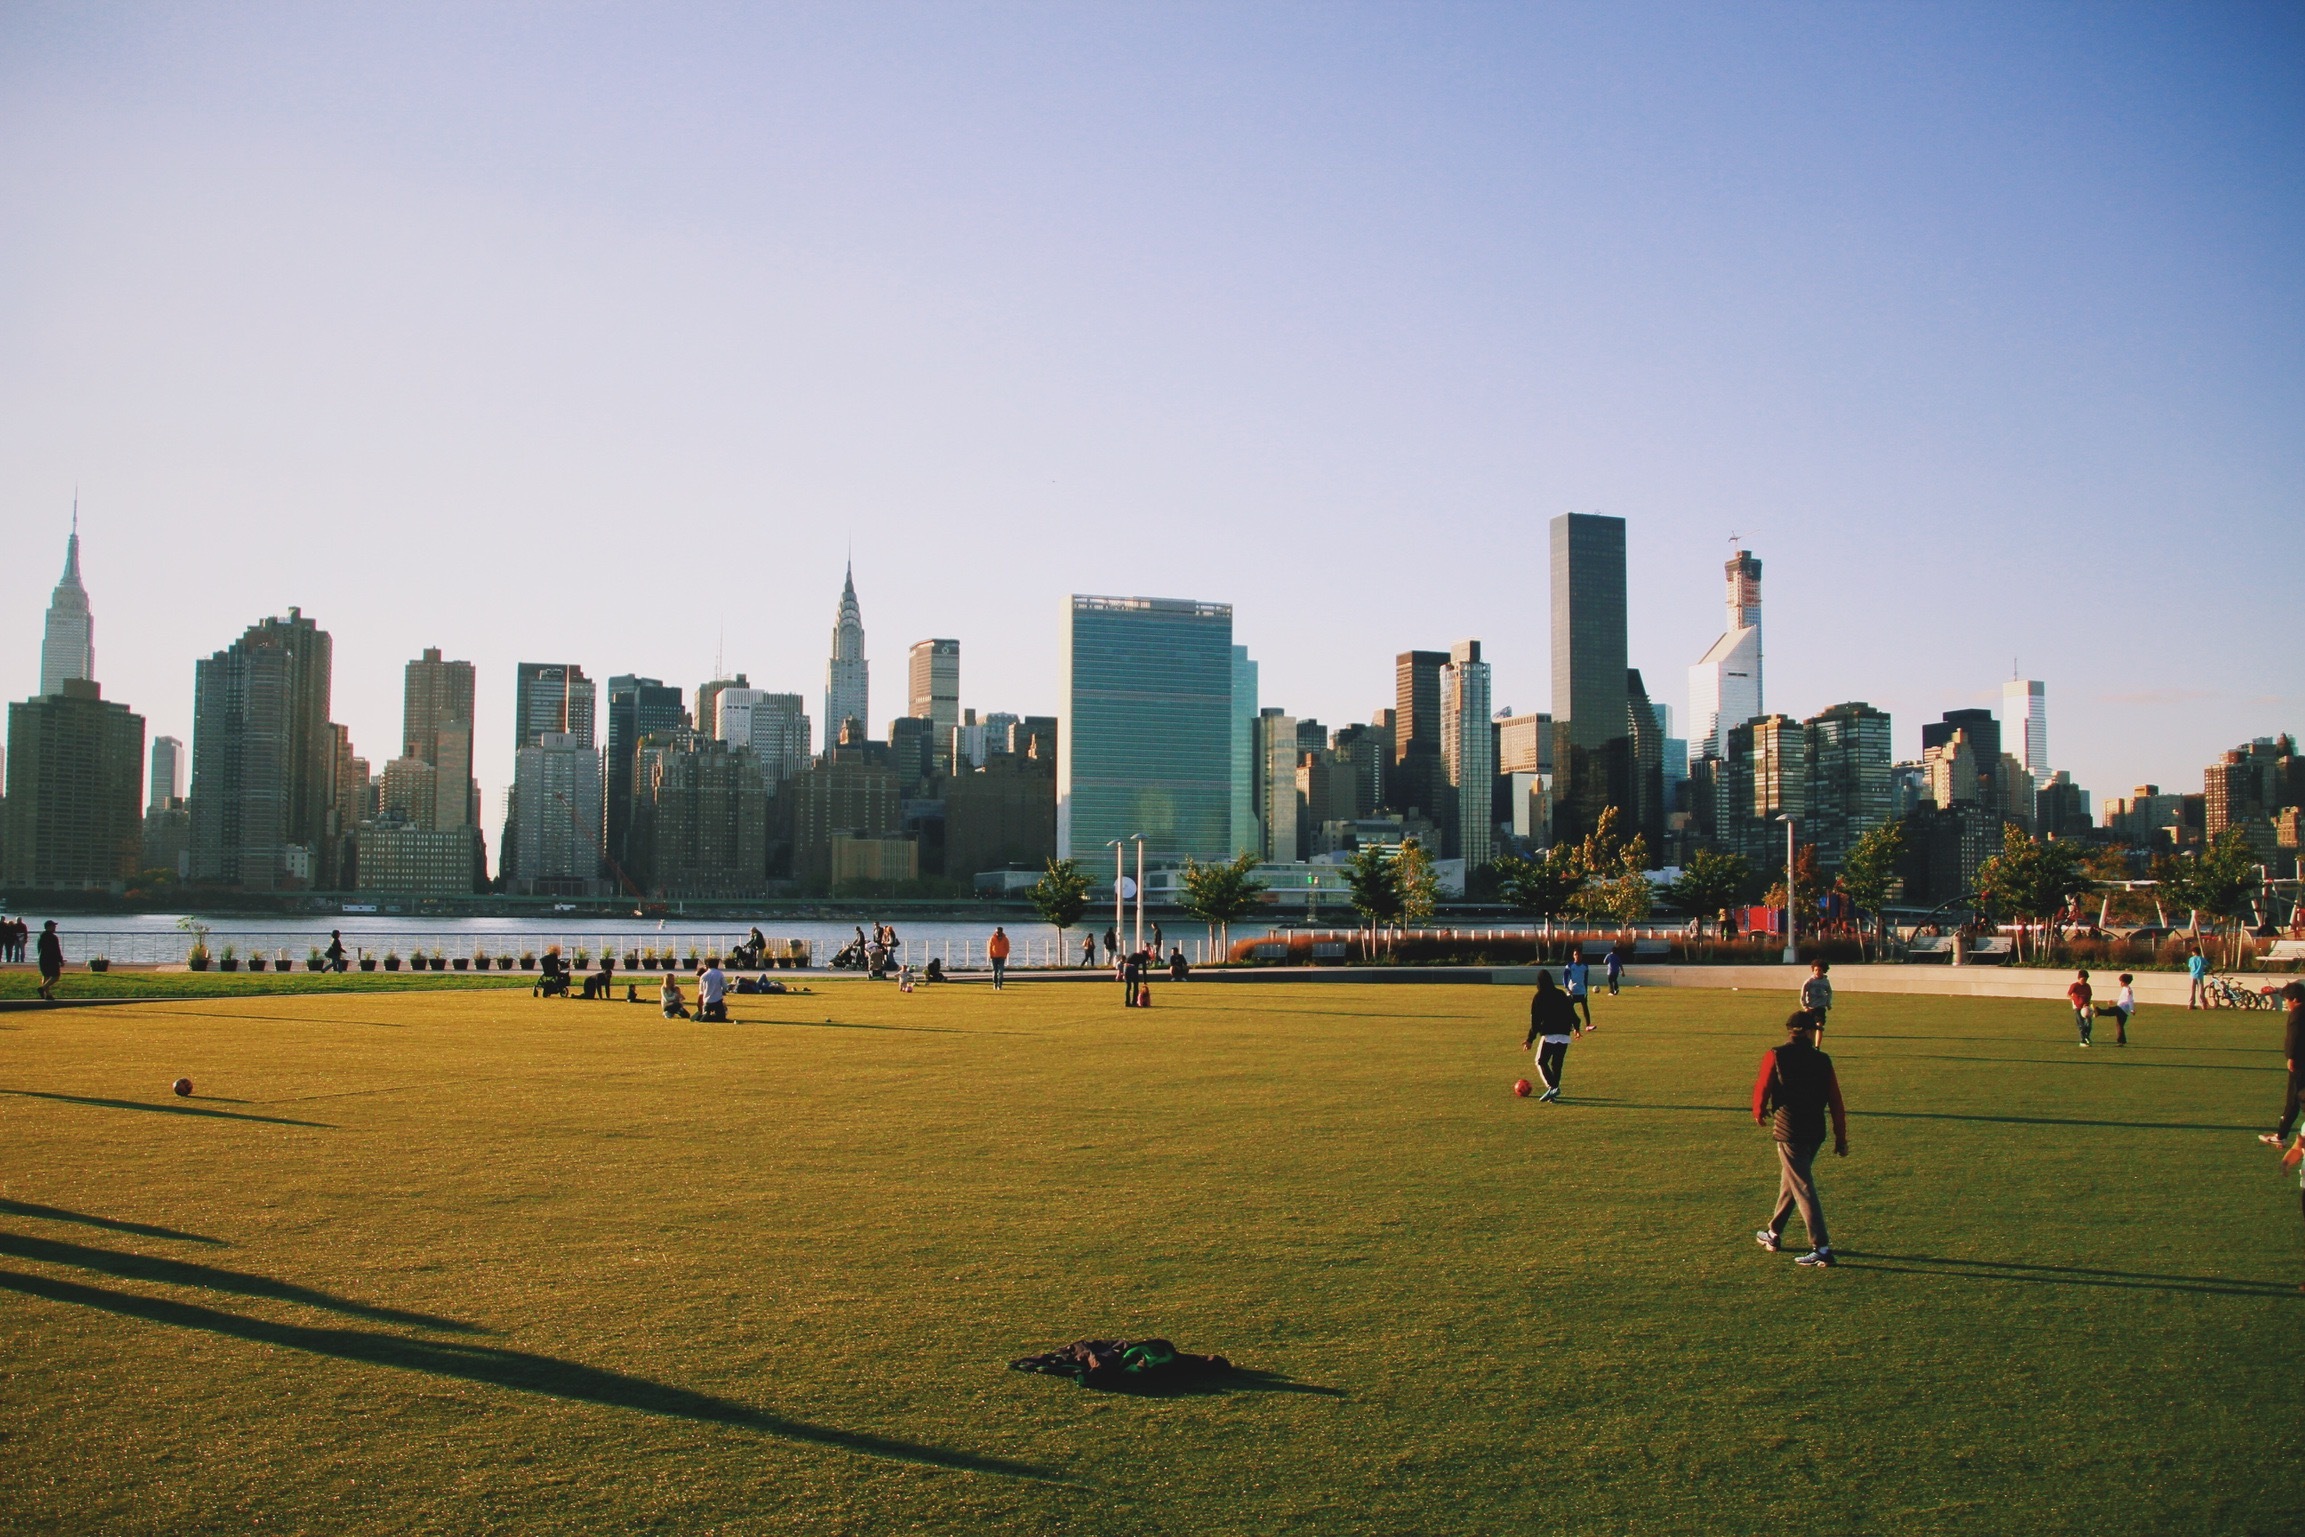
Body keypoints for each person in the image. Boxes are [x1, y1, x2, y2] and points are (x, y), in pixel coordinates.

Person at [1752, 1009, 1848, 1267]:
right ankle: (1773, 1233)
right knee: (1792, 1182)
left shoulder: (1776, 1054)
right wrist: (1841, 1136)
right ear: (1809, 1032)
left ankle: (1822, 1247)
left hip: (1789, 1129)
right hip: (1815, 1131)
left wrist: (1758, 1111)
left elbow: (1763, 1084)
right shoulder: (1822, 1059)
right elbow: (1836, 1100)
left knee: (1801, 1185)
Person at [1521, 969, 1582, 1102]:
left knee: (1541, 1061)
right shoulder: (1560, 994)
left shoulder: (1539, 997)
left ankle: (1552, 1087)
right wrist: (1577, 1028)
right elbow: (1572, 1014)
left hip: (1550, 1036)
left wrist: (1530, 1039)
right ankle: (1553, 1093)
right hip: (1565, 1035)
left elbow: (1535, 1022)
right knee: (1557, 1064)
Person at [2259, 982, 2305, 1148]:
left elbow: (2294, 1037)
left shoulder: (2297, 1014)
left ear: (2294, 999)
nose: (2286, 1003)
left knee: (2295, 1098)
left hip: (2300, 1061)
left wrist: (2291, 1057)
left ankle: (2281, 1135)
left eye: (2287, 1000)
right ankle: (2281, 1134)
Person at [1800, 961, 1833, 1033]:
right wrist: (1805, 1006)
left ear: (1823, 970)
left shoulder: (1826, 981)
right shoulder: (1809, 981)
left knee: (1819, 1025)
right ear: (1813, 970)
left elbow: (1829, 992)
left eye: (1820, 970)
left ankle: (1817, 1044)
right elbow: (1803, 993)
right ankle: (1809, 1042)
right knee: (1810, 1028)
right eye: (1816, 970)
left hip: (1820, 1007)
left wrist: (1828, 1003)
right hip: (1811, 1007)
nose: (1817, 972)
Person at [36, 920, 64, 1001]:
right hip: (51, 960)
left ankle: (47, 994)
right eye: (54, 926)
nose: (55, 927)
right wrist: (60, 960)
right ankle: (42, 988)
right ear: (49, 927)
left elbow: (39, 949)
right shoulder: (53, 937)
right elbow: (56, 950)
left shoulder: (40, 936)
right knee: (56, 976)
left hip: (42, 959)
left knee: (46, 976)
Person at [1564, 954, 1593, 1029]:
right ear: (1573, 956)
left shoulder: (1585, 966)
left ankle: (1588, 1025)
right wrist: (1567, 988)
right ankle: (1569, 1025)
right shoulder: (1569, 966)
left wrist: (1586, 991)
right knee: (1569, 1009)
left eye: (1578, 955)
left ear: (1581, 956)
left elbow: (1586, 979)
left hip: (1582, 990)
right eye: (1575, 954)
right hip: (1572, 991)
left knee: (1585, 1007)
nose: (1577, 956)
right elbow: (1565, 978)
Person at [2068, 968, 2095, 1048]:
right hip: (2077, 1007)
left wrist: (2087, 1004)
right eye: (2083, 979)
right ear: (2079, 978)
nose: (2085, 980)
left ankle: (2087, 1036)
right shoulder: (2074, 985)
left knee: (2089, 1024)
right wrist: (2074, 1000)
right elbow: (2069, 994)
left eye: (2086, 979)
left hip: (2086, 1007)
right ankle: (2083, 1040)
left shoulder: (2087, 986)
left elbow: (2089, 996)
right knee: (2081, 1024)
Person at [2109, 972, 2136, 1047]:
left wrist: (2132, 1009)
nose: (2120, 983)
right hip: (2121, 1007)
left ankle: (2098, 1011)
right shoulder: (2124, 989)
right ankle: (2122, 1041)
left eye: (2121, 982)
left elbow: (2130, 1000)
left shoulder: (2128, 990)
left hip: (2123, 1009)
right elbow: (2121, 999)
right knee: (2119, 1025)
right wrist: (2113, 1000)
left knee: (2112, 1013)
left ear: (2125, 982)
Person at [2188, 945, 2209, 1009]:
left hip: (2192, 976)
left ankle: (2190, 1004)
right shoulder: (2201, 959)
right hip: (2200, 976)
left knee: (2192, 991)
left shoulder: (2191, 959)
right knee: (2200, 991)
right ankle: (2203, 1004)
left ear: (2194, 952)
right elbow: (2208, 965)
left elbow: (2190, 966)